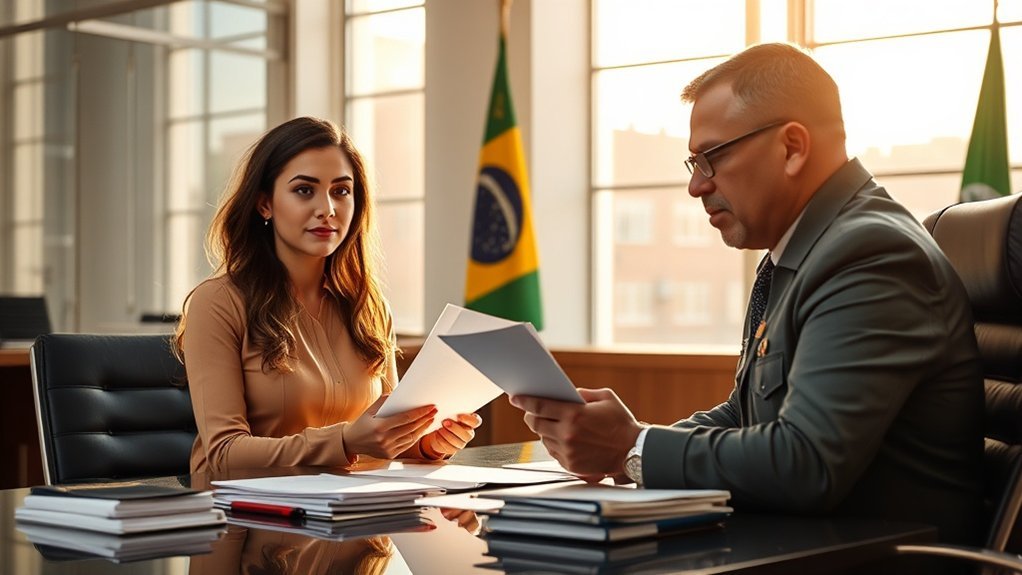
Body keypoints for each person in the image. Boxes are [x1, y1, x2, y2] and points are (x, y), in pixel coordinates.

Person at [510, 43, 984, 544]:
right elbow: (746, 412)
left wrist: (631, 447)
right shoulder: (805, 251)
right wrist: (629, 442)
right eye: (692, 163)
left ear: (792, 147)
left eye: (711, 158)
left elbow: (806, 464)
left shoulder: (870, 253)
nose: (696, 186)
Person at [174, 116, 481, 473]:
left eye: (341, 191)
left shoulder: (369, 306)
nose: (328, 209)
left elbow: (385, 439)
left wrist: (426, 445)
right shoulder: (218, 303)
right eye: (305, 190)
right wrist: (346, 442)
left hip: (354, 514)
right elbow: (224, 454)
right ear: (264, 204)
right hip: (253, 517)